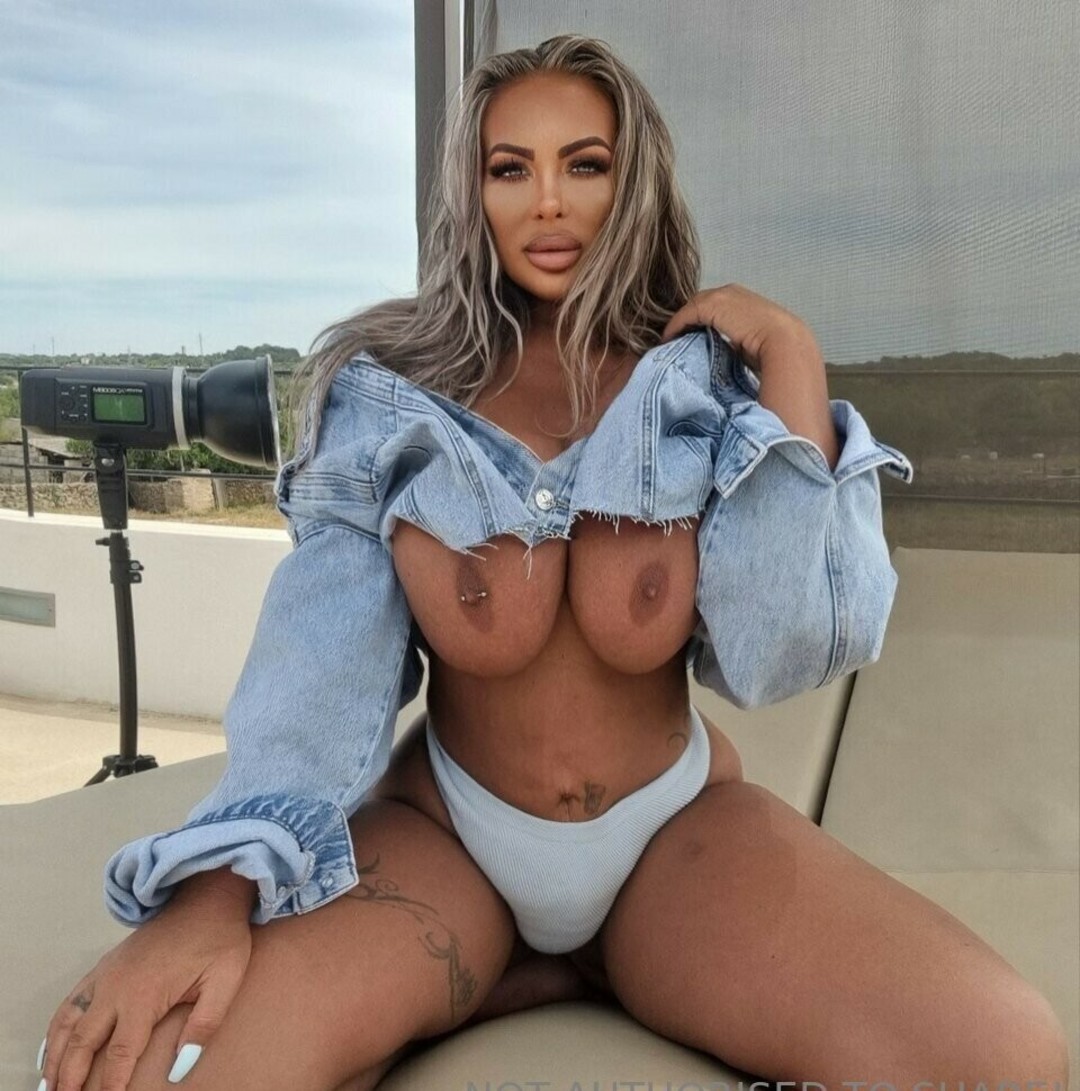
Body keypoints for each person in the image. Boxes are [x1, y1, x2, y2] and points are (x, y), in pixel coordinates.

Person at [38, 34, 1068, 1091]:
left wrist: (791, 359)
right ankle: (508, 961)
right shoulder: (393, 399)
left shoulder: (700, 391)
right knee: (158, 1072)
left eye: (584, 164)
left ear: (632, 184)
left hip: (672, 836)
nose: (546, 203)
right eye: (509, 167)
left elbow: (785, 649)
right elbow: (318, 670)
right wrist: (209, 901)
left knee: (1008, 1054)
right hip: (449, 842)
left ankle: (581, 961)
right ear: (471, 193)